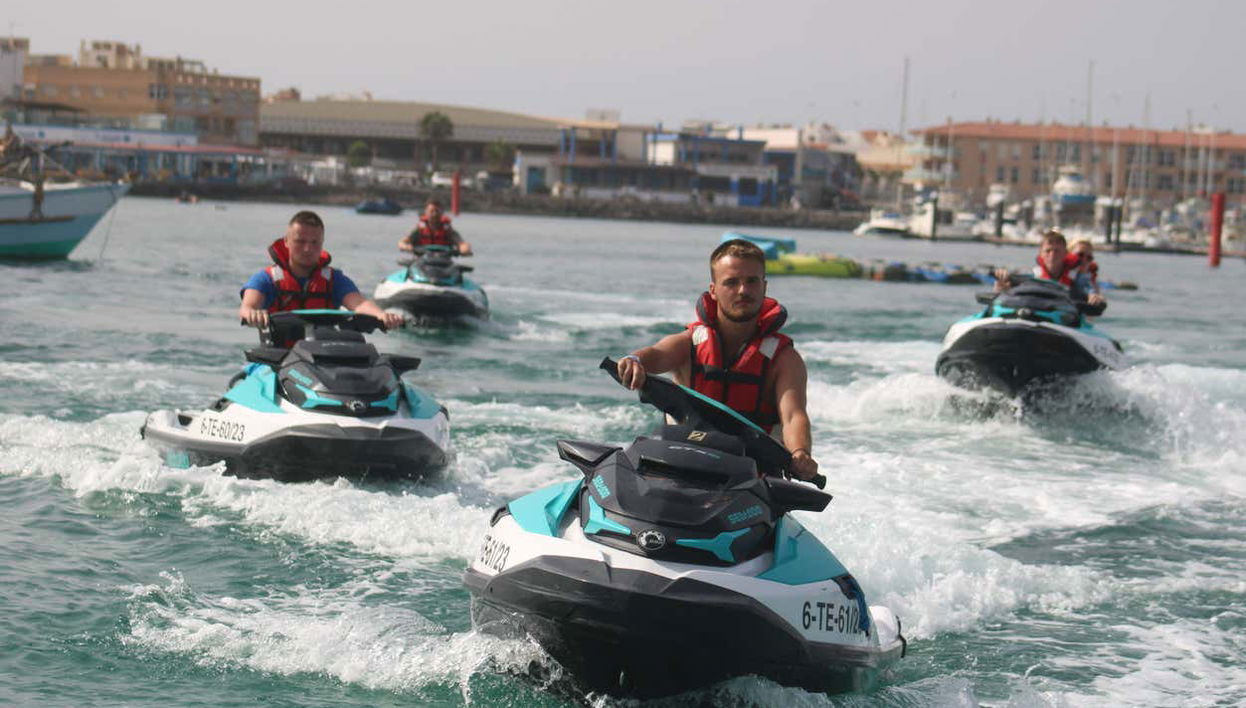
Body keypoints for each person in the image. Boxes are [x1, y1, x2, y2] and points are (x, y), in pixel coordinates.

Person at [614, 239, 819, 482]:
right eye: (731, 282)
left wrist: (800, 453)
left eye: (751, 281)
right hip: (682, 471)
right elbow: (656, 354)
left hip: (750, 482)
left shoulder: (784, 359)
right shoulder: (689, 343)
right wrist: (633, 360)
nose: (743, 290)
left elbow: (793, 415)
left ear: (764, 287)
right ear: (713, 290)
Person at [239, 210, 403, 332]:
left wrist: (381, 315)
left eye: (314, 242)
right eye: (300, 241)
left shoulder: (334, 279)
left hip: (321, 357)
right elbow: (247, 307)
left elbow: (359, 303)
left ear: (322, 243)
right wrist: (252, 313)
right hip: (277, 358)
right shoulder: (266, 279)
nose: (307, 249)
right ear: (286, 241)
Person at [994, 229, 1105, 307]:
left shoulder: (1077, 278)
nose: (1052, 255)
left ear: (1065, 254)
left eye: (1057, 251)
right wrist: (1001, 287)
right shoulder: (1032, 275)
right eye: (1048, 251)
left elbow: (1088, 291)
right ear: (1041, 253)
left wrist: (1094, 297)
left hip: (1064, 320)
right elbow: (1008, 292)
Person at [398, 199, 472, 255]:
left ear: (442, 212)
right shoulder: (419, 230)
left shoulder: (448, 230)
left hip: (444, 264)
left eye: (437, 211)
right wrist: (406, 247)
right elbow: (402, 242)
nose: (434, 214)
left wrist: (464, 249)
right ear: (426, 212)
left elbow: (461, 243)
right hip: (421, 262)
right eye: (431, 211)